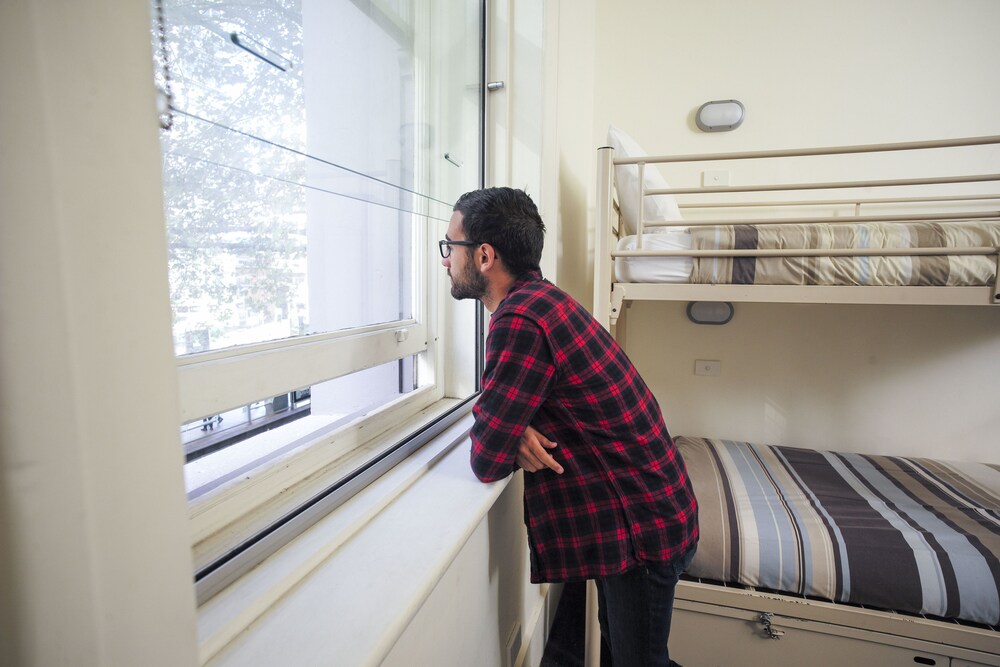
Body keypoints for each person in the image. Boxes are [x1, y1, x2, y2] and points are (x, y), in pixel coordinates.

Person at [441, 187, 699, 667]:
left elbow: (486, 460)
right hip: (652, 511)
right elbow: (513, 419)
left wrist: (509, 430)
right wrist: (515, 426)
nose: (444, 260)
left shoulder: (519, 319)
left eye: (449, 247)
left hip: (642, 530)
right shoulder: (544, 299)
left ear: (483, 255)